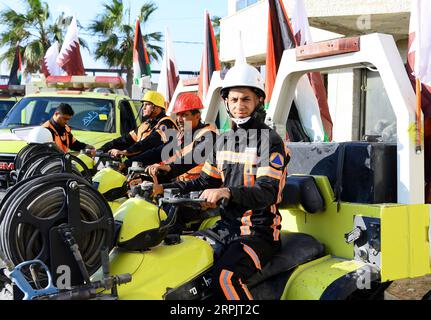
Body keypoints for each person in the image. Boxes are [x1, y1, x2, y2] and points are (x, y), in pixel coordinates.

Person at [152, 62, 289, 300]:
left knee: (225, 278)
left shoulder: (271, 141)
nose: (239, 106)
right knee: (183, 261)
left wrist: (227, 192)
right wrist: (163, 187)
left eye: (246, 99)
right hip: (226, 228)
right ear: (226, 103)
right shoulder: (223, 140)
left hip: (258, 232)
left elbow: (267, 191)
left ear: (258, 101)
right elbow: (205, 179)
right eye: (234, 100)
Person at [147, 92, 217, 182]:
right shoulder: (185, 135)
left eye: (184, 115)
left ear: (197, 116)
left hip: (202, 189)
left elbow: (194, 156)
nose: (179, 119)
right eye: (178, 115)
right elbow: (162, 153)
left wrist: (169, 167)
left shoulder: (209, 134)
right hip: (182, 186)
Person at [100, 90, 177, 168]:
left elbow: (148, 143)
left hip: (164, 171)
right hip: (145, 166)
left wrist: (125, 152)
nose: (143, 108)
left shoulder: (166, 123)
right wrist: (102, 149)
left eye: (147, 105)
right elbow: (125, 140)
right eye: (143, 105)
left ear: (157, 107)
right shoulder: (146, 124)